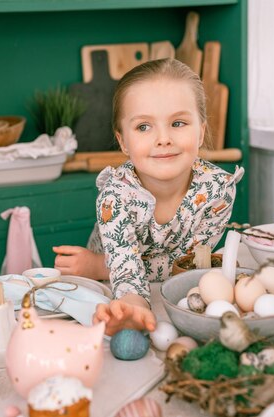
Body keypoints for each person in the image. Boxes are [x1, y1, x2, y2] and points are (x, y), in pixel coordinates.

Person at [55, 58, 243, 335]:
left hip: (162, 289)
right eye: (144, 127)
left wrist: (99, 265)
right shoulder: (115, 195)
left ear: (201, 132)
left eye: (178, 123)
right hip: (111, 288)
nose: (163, 138)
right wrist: (134, 308)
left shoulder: (217, 190)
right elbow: (127, 274)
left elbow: (187, 268)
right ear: (123, 142)